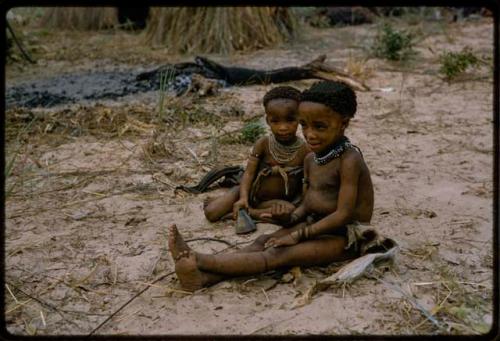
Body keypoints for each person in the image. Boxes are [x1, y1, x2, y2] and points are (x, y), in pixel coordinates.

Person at [168, 80, 375, 291]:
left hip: (346, 237)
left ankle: (200, 260)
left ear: (343, 123)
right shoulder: (312, 159)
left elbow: (344, 214)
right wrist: (290, 218)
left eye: (320, 126)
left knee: (278, 255)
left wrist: (297, 235)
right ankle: (202, 279)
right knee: (264, 241)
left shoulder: (349, 159)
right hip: (315, 224)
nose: (309, 134)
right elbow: (309, 201)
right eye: (304, 125)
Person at [203, 86, 310, 223]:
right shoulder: (263, 144)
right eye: (275, 121)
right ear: (267, 121)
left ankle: (250, 213)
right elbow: (248, 174)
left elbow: (307, 182)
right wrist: (243, 197)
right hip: (250, 193)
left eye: (290, 120)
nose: (283, 127)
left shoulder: (304, 150)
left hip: (275, 202)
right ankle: (240, 206)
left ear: (300, 119)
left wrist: (302, 203)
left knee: (289, 212)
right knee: (211, 213)